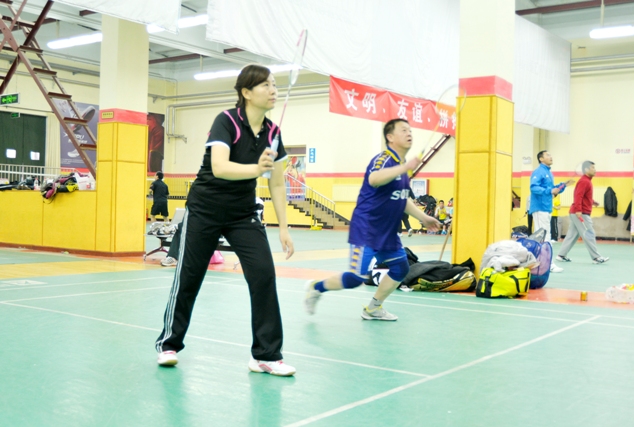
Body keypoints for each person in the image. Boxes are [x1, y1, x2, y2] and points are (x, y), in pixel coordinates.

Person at [155, 64, 297, 376]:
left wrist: (284, 228)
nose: (273, 90)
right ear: (246, 92)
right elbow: (219, 167)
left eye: (275, 85)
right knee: (189, 277)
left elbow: (276, 183)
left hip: (243, 213)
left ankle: (266, 355)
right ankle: (168, 344)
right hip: (205, 209)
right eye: (266, 85)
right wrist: (256, 169)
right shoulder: (227, 121)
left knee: (263, 275)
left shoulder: (273, 133)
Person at [303, 119, 441, 321]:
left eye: (410, 130)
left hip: (387, 232)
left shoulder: (401, 167)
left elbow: (401, 198)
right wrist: (404, 168)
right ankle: (316, 287)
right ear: (390, 137)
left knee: (400, 268)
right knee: (355, 278)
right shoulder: (384, 159)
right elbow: (374, 179)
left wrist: (423, 217)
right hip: (367, 228)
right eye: (403, 130)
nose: (409, 133)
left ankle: (373, 308)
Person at [555, 161, 609, 264]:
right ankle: (596, 258)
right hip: (580, 213)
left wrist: (592, 202)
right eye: (592, 168)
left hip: (577, 212)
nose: (595, 170)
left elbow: (584, 196)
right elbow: (578, 196)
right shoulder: (584, 181)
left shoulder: (587, 181)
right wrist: (578, 210)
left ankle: (561, 255)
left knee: (572, 235)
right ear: (586, 169)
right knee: (589, 233)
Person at [530, 151, 573, 273]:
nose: (551, 156)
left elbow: (552, 189)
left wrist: (563, 185)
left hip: (546, 208)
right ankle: (548, 264)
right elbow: (534, 187)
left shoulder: (548, 172)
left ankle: (538, 263)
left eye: (551, 155)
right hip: (540, 208)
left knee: (543, 237)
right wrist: (549, 191)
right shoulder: (539, 171)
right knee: (544, 238)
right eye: (547, 155)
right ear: (541, 159)